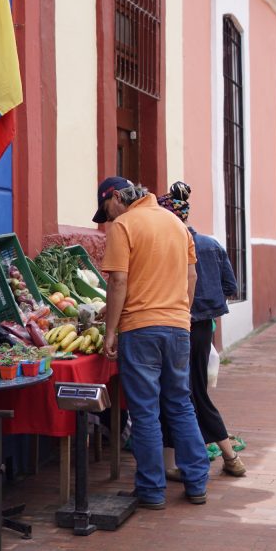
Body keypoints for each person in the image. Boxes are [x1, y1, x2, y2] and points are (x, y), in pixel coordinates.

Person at [93, 176, 210, 509]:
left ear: (115, 198)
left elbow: (118, 282)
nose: (109, 220)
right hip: (177, 327)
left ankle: (152, 490)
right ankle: (197, 483)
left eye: (107, 211)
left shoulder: (124, 226)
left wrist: (111, 331)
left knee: (145, 412)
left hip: (140, 329)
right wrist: (181, 315)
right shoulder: (176, 223)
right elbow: (192, 276)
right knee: (180, 404)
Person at [157, 181, 246, 478]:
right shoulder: (210, 244)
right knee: (183, 391)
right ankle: (173, 465)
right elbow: (230, 288)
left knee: (187, 393)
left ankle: (229, 456)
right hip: (204, 329)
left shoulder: (170, 246)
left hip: (178, 326)